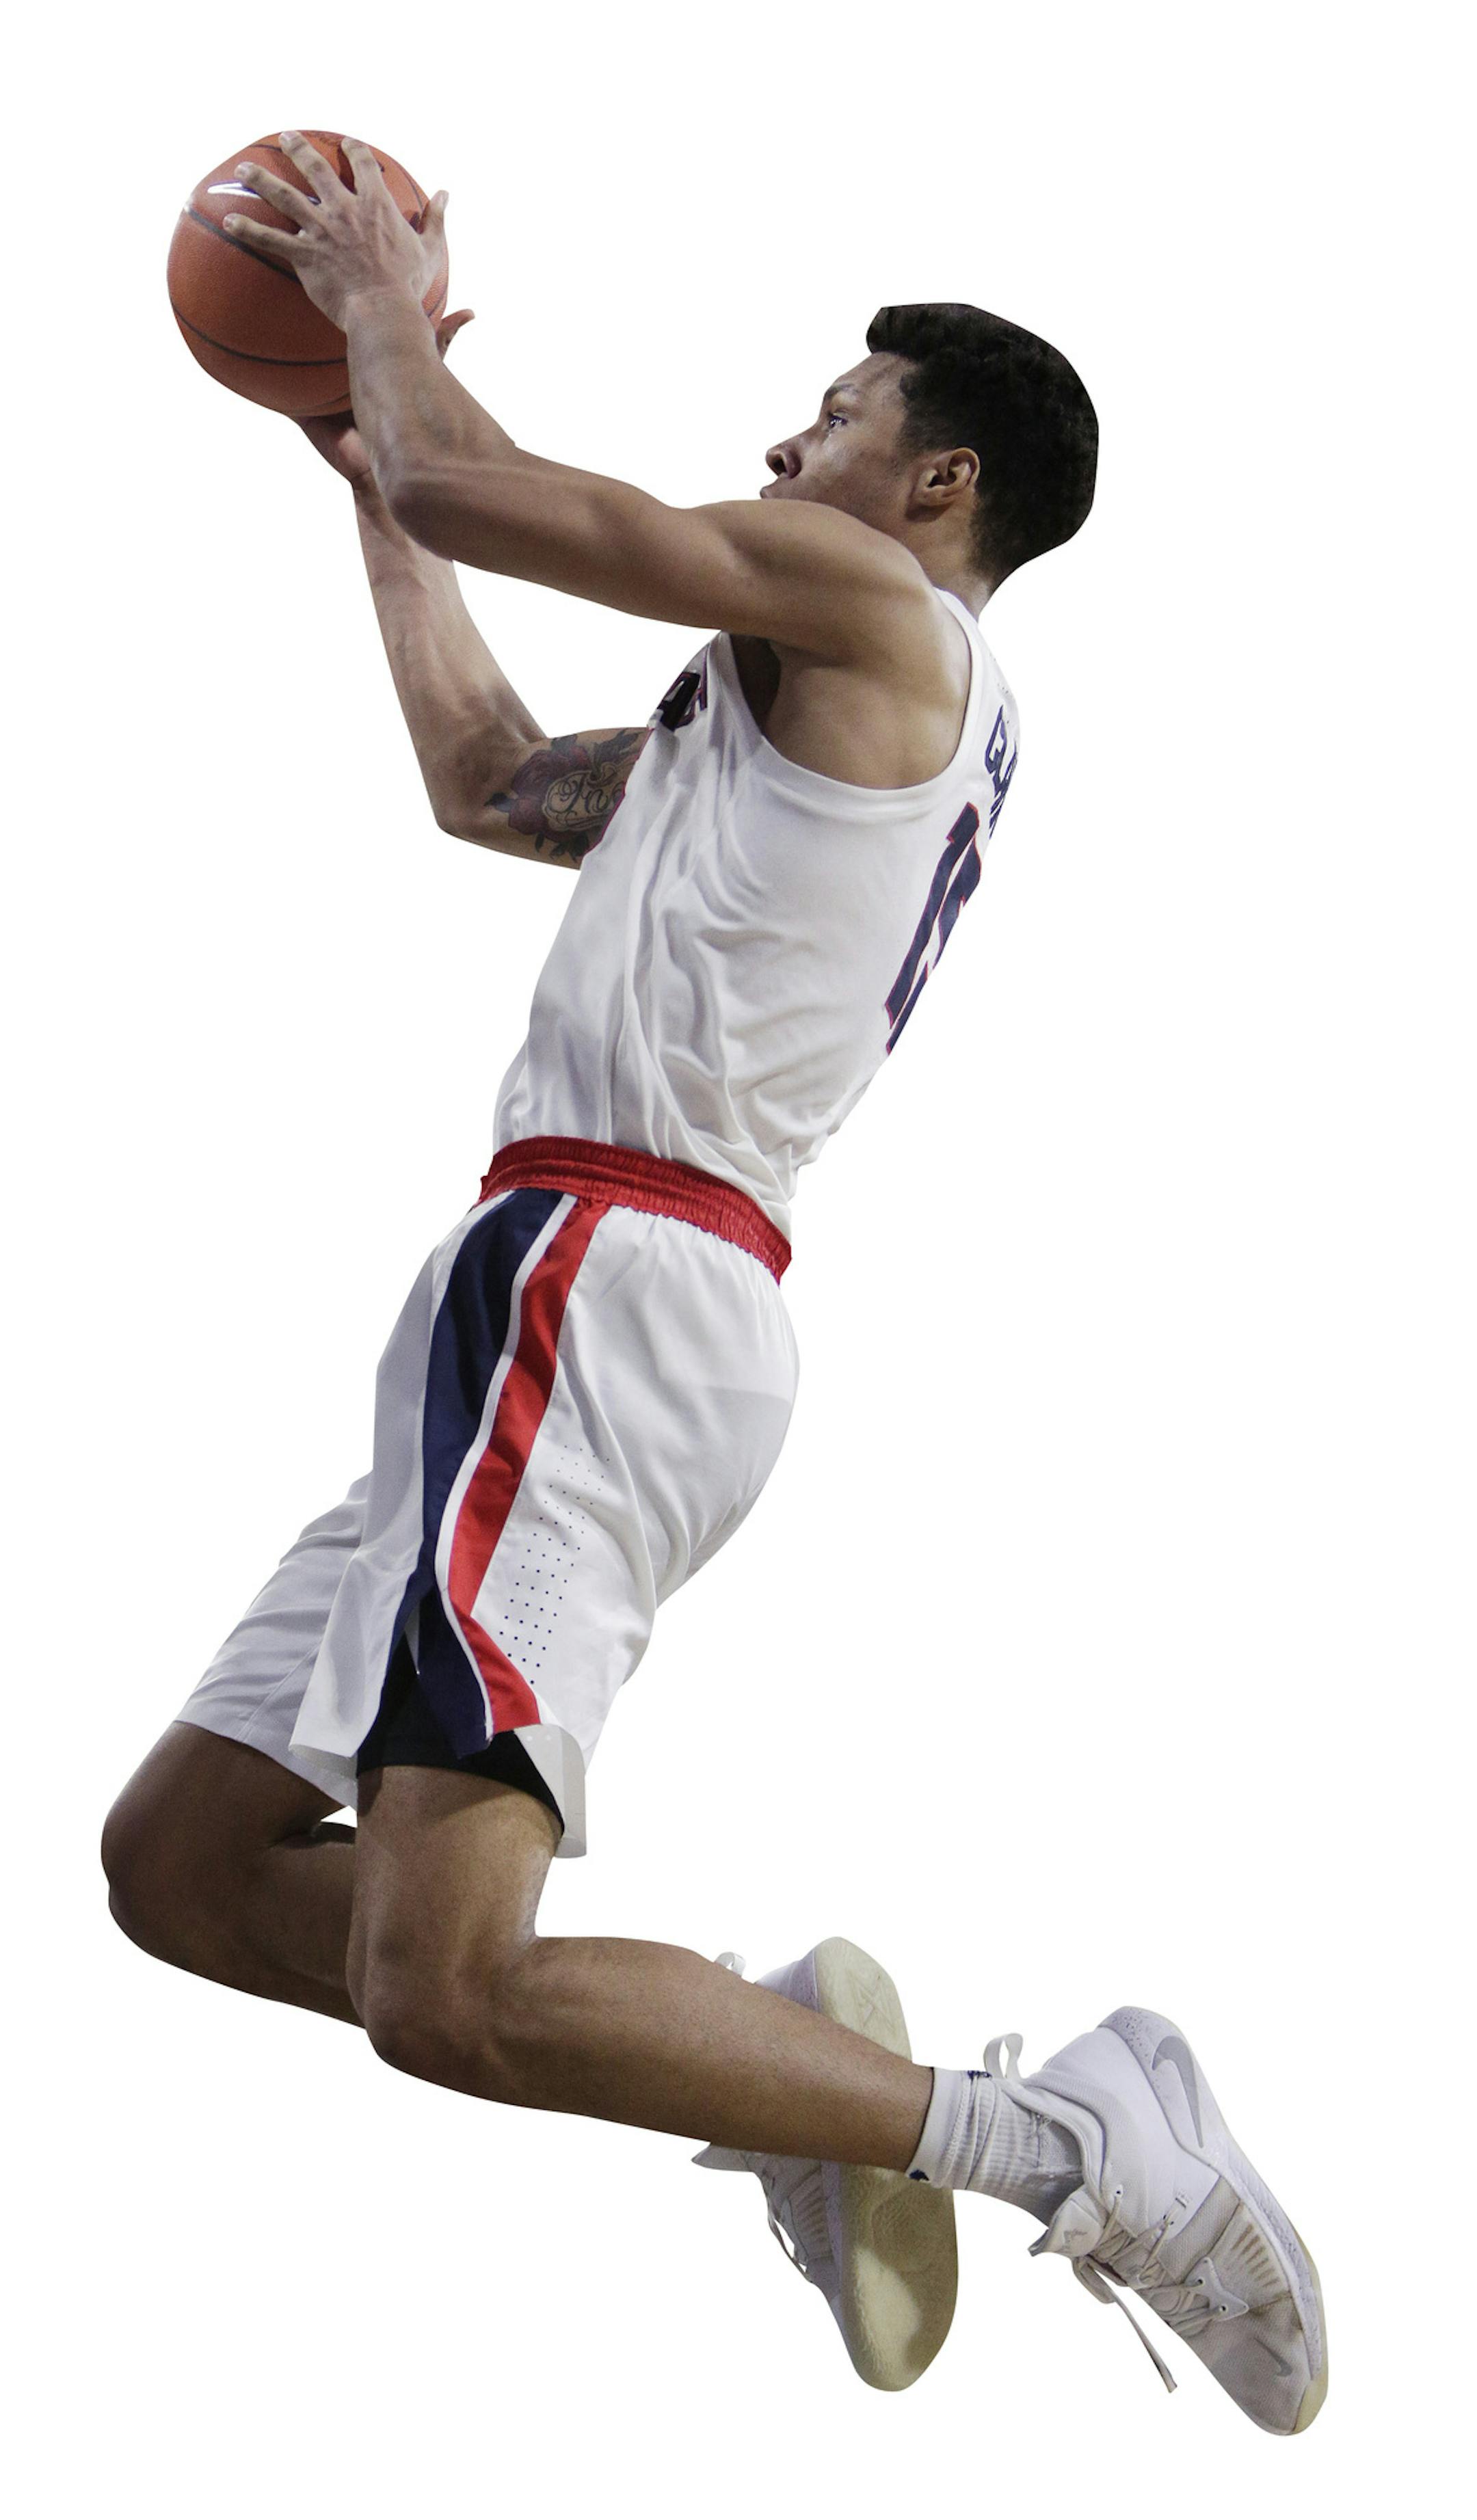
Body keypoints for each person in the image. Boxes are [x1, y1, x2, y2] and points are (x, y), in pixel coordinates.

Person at [102, 133, 1325, 2430]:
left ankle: (1067, 2144)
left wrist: (380, 310)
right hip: (558, 1292)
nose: (790, 444)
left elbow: (503, 488)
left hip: (603, 1283)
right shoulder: (779, 694)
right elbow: (480, 778)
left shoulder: (870, 612)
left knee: (443, 2001)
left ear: (936, 478)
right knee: (179, 1870)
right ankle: (779, 2065)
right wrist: (370, 475)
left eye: (838, 413)